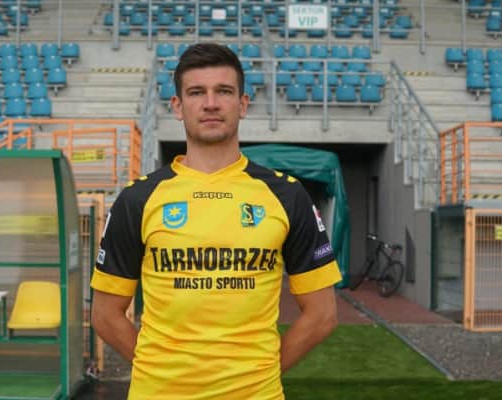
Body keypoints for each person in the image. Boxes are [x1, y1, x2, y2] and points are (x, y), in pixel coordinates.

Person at [90, 42, 342, 400]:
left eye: (223, 91)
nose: (210, 103)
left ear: (243, 104)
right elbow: (104, 314)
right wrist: (159, 371)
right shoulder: (138, 199)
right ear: (177, 106)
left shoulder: (287, 195)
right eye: (196, 92)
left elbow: (322, 314)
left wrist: (259, 376)